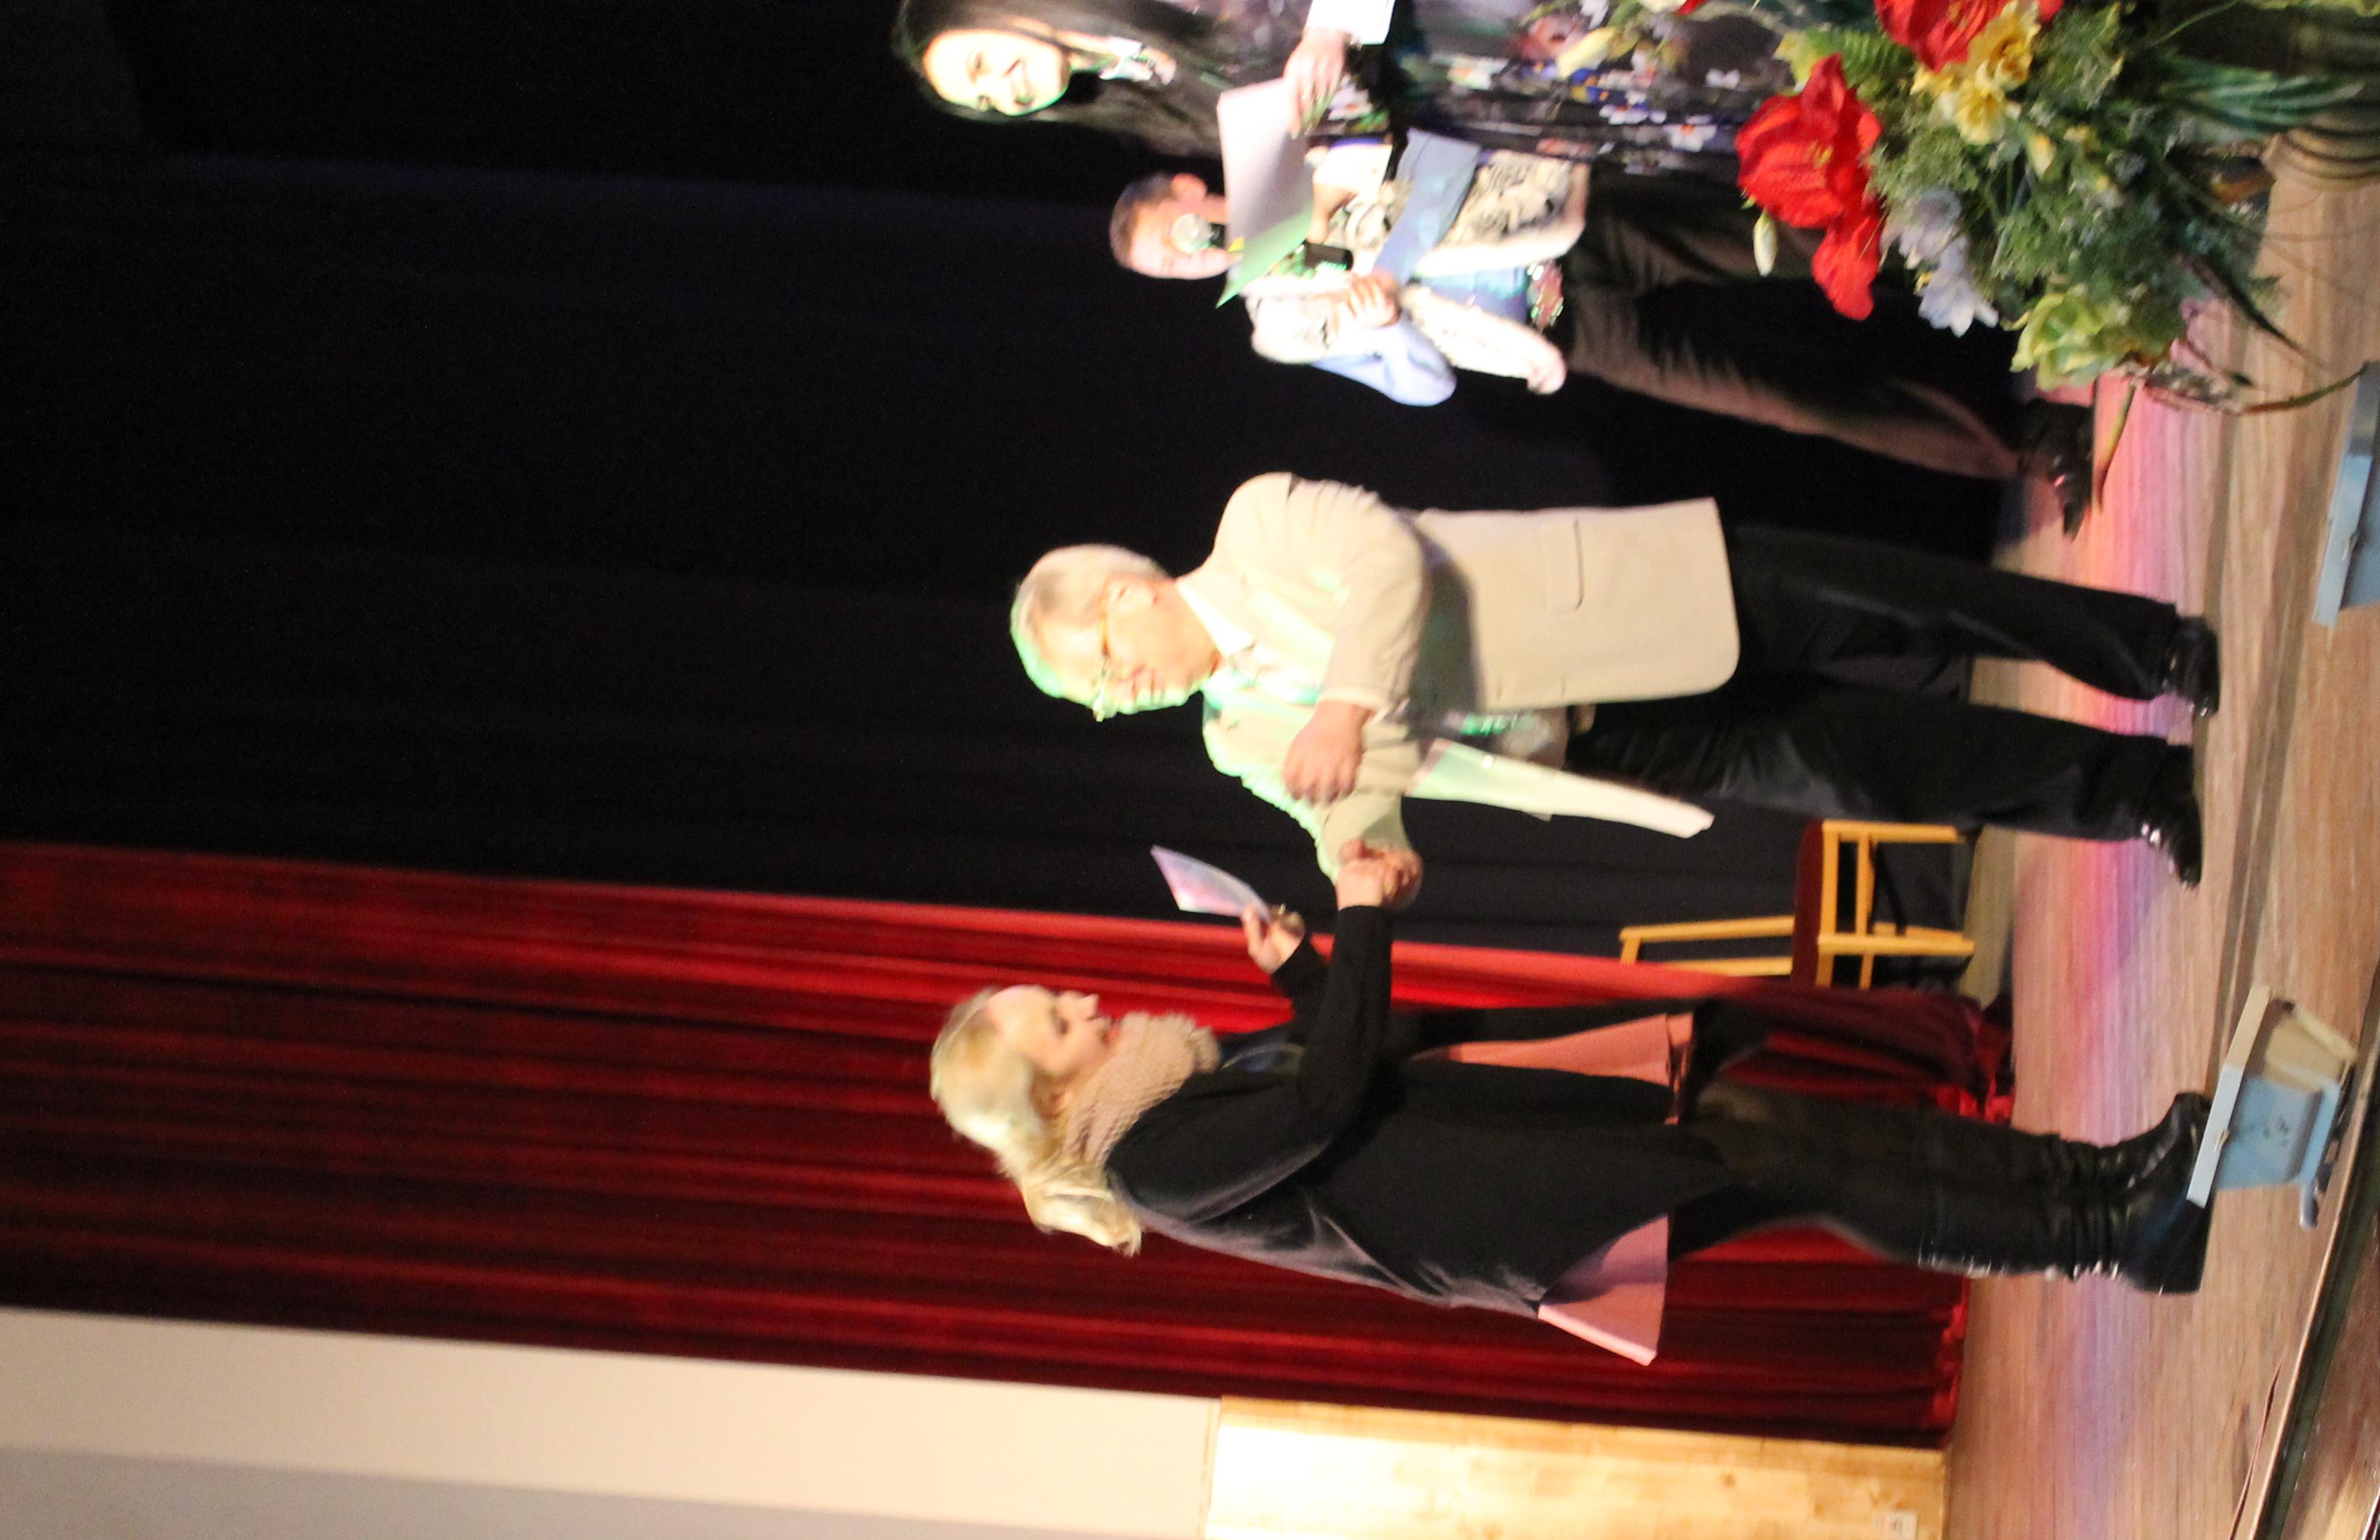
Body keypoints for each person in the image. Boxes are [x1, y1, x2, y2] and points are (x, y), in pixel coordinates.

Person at [927, 854, 2217, 1332]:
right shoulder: (1146, 1161)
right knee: (1801, 1171)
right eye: (1060, 1022)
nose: (1084, 1002)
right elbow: (1322, 1112)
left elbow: (1334, 1068)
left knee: (1798, 1134)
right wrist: (1360, 922)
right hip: (1522, 1205)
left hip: (1517, 1142)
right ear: (1047, 1098)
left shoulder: (1169, 1085)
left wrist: (1303, 969)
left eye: (1060, 997)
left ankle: (2106, 1180)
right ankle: (2114, 1236)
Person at [1011, 474, 2219, 885]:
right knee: (1877, 773)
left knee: (1910, 603)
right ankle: (2133, 792)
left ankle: (2151, 647)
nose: (1121, 697)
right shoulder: (1232, 735)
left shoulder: (1256, 525)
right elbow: (1332, 803)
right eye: (1098, 703)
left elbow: (1385, 559)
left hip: (1634, 600)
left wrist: (1343, 705)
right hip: (1592, 740)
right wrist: (1358, 862)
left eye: (1104, 670)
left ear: (1125, 595)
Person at [1111, 160, 2095, 493]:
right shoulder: (1278, 326)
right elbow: (1424, 386)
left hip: (1568, 226)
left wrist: (1361, 229)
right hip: (1565, 333)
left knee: (1798, 242)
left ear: (1193, 190)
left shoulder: (1293, 154)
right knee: (1791, 397)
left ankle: (2029, 247)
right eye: (1172, 265)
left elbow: (1439, 151)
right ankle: (2029, 441)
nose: (1193, 253)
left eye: (1180, 232)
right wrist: (1389, 322)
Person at [895, 0, 1778, 176]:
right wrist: (1292, 214)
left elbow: (1317, 47)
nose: (1003, 92)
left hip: (1485, 21)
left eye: (981, 65)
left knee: (1745, 52)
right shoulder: (1143, 93)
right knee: (1746, 141)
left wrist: (1329, 27)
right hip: (1485, 106)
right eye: (986, 104)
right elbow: (1330, 131)